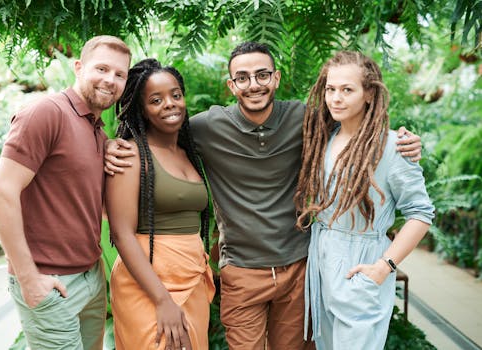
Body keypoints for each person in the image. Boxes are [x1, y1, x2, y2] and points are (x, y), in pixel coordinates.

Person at [104, 42, 422, 350]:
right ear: (231, 85)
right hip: (241, 271)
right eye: (242, 78)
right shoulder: (205, 128)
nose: (253, 85)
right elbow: (159, 130)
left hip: (298, 268)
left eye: (262, 75)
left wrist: (401, 140)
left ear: (276, 77)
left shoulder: (306, 119)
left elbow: (356, 124)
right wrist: (112, 145)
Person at [0, 35, 131, 350]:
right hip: (50, 282)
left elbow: (88, 205)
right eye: (102, 68)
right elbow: (1, 193)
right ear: (78, 67)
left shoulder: (97, 130)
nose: (111, 79)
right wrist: (28, 279)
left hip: (91, 276)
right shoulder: (45, 113)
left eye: (120, 74)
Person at [294, 51, 434, 350]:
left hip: (363, 264)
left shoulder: (393, 146)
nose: (336, 98)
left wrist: (384, 266)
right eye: (330, 89)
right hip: (321, 260)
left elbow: (421, 213)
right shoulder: (325, 137)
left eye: (347, 90)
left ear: (369, 93)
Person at [106, 58, 215, 350]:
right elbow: (121, 233)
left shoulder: (188, 152)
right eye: (156, 99)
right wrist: (163, 300)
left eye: (175, 95)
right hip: (149, 284)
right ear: (141, 108)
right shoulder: (130, 155)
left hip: (190, 277)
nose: (170, 104)